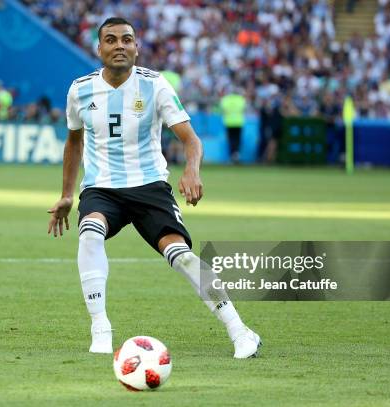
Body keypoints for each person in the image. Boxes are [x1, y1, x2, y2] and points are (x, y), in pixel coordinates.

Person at [47, 17, 261, 359]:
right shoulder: (79, 89)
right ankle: (100, 327)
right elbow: (74, 142)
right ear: (99, 48)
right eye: (112, 40)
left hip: (149, 185)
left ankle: (241, 331)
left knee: (183, 257)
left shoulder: (155, 85)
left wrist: (192, 170)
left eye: (127, 40)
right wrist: (68, 195)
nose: (120, 45)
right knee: (89, 232)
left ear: (137, 47)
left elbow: (190, 140)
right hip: (102, 187)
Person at [220, 88, 247, 164]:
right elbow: (244, 109)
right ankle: (236, 155)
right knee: (237, 140)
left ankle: (232, 156)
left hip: (228, 122)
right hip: (239, 122)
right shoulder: (241, 99)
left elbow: (223, 109)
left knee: (231, 140)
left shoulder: (225, 99)